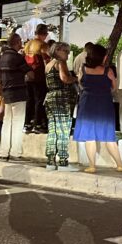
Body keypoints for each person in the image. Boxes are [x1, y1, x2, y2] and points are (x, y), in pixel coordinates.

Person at [74, 43, 122, 173]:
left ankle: (92, 166)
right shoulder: (108, 71)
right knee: (108, 136)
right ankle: (120, 164)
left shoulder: (83, 69)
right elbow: (114, 87)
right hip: (103, 103)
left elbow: (80, 83)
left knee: (90, 137)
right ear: (103, 57)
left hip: (87, 103)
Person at [43, 42, 79, 171]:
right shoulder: (60, 62)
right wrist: (75, 78)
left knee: (52, 130)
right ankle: (63, 161)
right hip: (62, 98)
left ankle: (50, 161)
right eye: (66, 51)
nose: (68, 54)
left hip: (50, 97)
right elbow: (64, 78)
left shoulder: (48, 65)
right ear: (58, 50)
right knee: (63, 130)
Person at [0, 34, 32, 161]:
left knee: (7, 123)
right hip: (18, 92)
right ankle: (15, 152)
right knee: (17, 123)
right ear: (17, 42)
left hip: (7, 92)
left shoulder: (2, 57)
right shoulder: (18, 58)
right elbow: (31, 75)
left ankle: (3, 152)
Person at [24, 23, 50, 133]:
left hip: (28, 76)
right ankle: (38, 124)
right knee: (39, 100)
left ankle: (27, 123)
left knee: (30, 100)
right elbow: (47, 61)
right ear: (45, 34)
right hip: (39, 76)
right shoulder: (43, 45)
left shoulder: (28, 44)